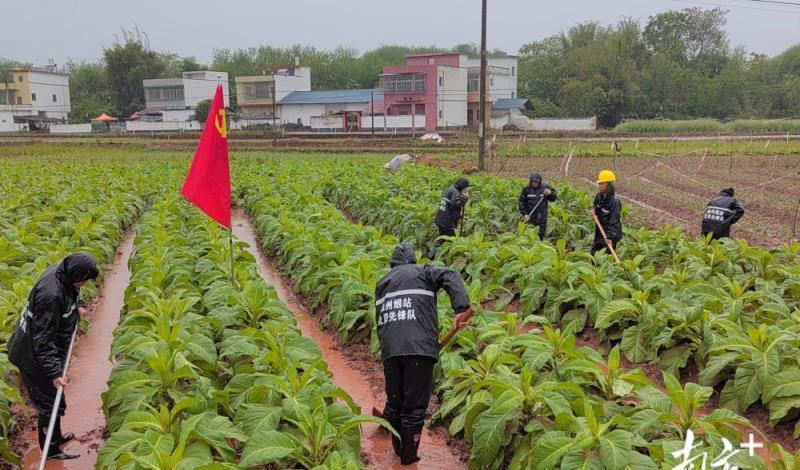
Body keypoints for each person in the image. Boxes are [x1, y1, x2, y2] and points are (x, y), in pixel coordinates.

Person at [375, 243, 472, 465]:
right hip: (419, 350)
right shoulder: (424, 272)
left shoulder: (382, 283)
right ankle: (409, 460)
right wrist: (460, 308)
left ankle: (400, 455)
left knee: (397, 403)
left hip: (390, 351)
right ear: (412, 261)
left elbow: (381, 322)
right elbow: (451, 274)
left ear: (393, 264)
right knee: (415, 408)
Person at [8, 252, 99, 460]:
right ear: (76, 275)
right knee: (49, 405)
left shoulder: (62, 272)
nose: (83, 284)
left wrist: (80, 304)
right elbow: (43, 340)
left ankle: (56, 438)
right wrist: (55, 372)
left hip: (39, 350)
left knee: (55, 401)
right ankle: (50, 451)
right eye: (83, 281)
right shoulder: (51, 296)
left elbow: (73, 289)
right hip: (32, 356)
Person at [430, 177, 470, 258]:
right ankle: (444, 257)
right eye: (465, 189)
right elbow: (456, 204)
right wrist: (465, 198)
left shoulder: (450, 189)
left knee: (442, 238)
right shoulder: (455, 192)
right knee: (450, 240)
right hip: (447, 222)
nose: (465, 191)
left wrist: (460, 216)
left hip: (441, 219)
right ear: (462, 187)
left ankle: (432, 255)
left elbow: (451, 208)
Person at [591, 170, 623, 255]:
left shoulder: (615, 202)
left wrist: (610, 238)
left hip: (610, 234)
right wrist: (594, 210)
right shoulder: (599, 196)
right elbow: (596, 205)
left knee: (606, 257)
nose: (599, 186)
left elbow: (614, 221)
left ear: (609, 185)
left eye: (602, 184)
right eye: (599, 184)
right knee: (594, 253)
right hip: (600, 230)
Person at [518, 172, 558, 240]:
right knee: (529, 235)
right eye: (533, 182)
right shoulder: (526, 189)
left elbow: (553, 198)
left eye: (536, 182)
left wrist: (550, 193)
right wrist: (525, 214)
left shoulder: (545, 187)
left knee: (540, 236)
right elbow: (521, 202)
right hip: (530, 217)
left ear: (539, 182)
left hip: (541, 217)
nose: (535, 184)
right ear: (530, 182)